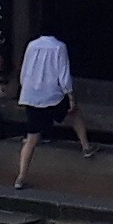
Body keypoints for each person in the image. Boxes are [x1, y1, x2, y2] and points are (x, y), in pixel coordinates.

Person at [7, 25, 92, 189]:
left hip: (32, 94)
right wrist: (70, 95)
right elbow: (64, 74)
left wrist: (26, 88)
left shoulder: (31, 45)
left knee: (31, 138)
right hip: (52, 93)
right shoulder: (59, 46)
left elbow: (24, 71)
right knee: (74, 113)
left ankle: (21, 177)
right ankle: (86, 146)